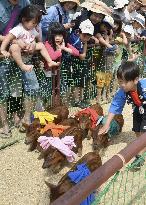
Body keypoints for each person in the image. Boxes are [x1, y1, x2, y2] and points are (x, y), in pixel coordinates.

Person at [98, 61, 146, 170]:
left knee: (144, 133)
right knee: (137, 130)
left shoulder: (144, 87)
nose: (121, 85)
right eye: (119, 82)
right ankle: (142, 145)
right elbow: (115, 105)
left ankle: (140, 156)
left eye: (123, 82)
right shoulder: (122, 91)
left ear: (135, 80)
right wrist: (107, 124)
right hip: (138, 109)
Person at [0, 0, 30, 137]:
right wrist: (12, 39)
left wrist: (31, 43)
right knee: (2, 92)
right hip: (2, 53)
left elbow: (28, 25)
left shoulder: (25, 3)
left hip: (16, 55)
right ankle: (5, 125)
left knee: (16, 88)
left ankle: (15, 117)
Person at [1, 5, 60, 72]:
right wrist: (2, 49)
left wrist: (35, 43)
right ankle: (22, 65)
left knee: (41, 45)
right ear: (24, 20)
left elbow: (39, 40)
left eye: (37, 23)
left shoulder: (32, 29)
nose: (35, 25)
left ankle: (49, 61)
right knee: (14, 47)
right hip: (18, 51)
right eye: (33, 23)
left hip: (28, 51)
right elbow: (7, 38)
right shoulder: (18, 29)